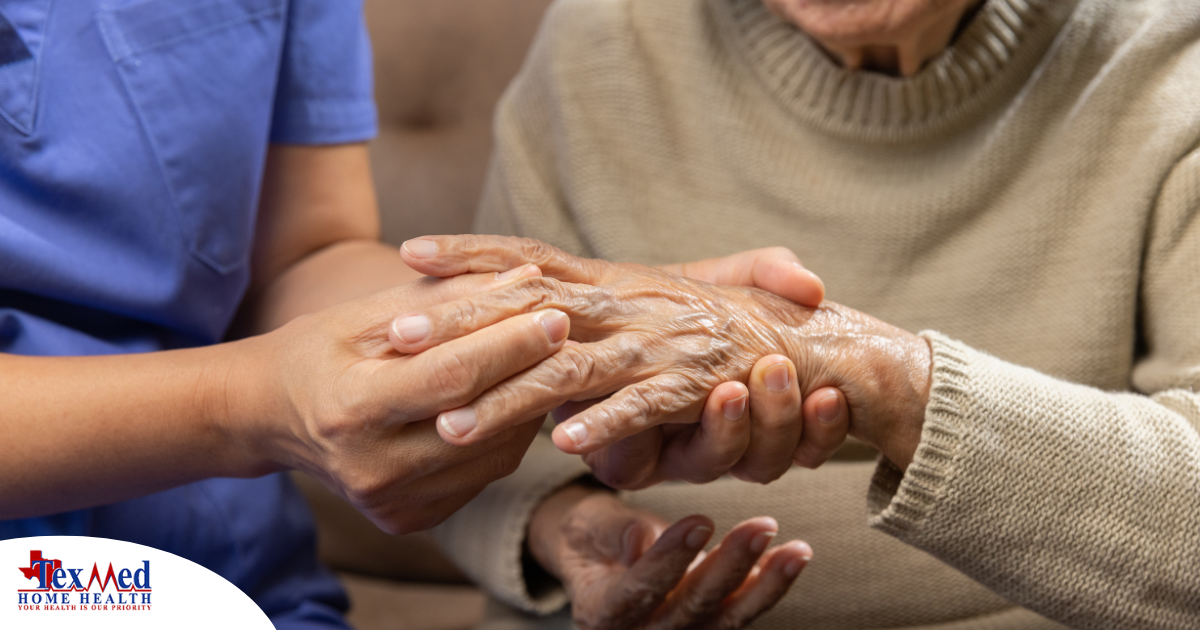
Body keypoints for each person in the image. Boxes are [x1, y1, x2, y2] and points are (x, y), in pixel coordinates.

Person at [0, 1, 823, 627]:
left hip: (229, 579)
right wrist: (250, 406)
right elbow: (261, 391)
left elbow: (301, 257)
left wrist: (577, 308)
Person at [397, 0, 1200, 628]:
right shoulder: (593, 47)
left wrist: (882, 376)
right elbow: (466, 435)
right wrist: (566, 529)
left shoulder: (1170, 59)